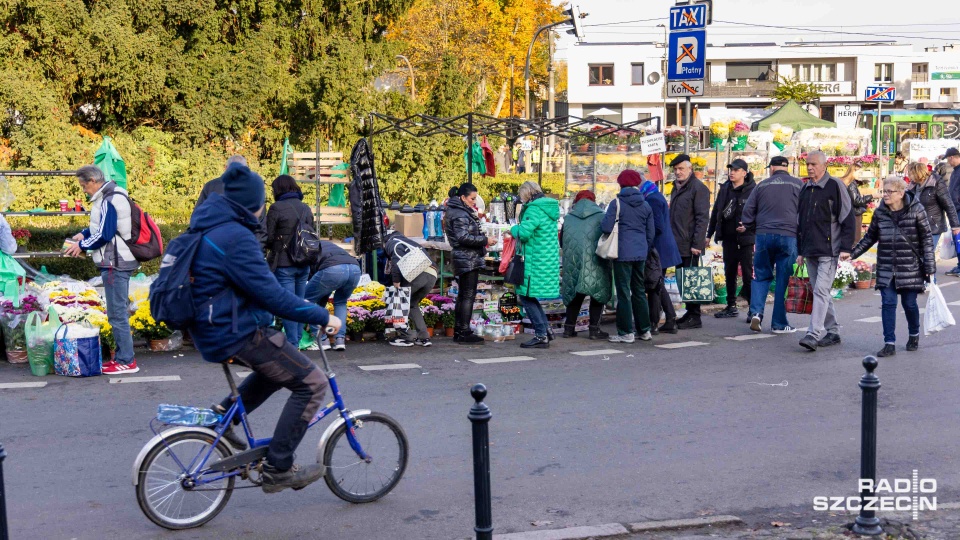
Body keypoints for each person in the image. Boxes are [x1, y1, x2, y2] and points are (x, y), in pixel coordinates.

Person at [189, 163, 340, 493]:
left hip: (213, 329)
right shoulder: (236, 238)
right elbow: (274, 296)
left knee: (276, 371)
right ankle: (278, 466)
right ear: (251, 204)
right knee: (312, 383)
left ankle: (223, 415)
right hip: (235, 330)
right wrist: (322, 316)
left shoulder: (207, 228)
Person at [847, 176, 936, 357]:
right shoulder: (880, 213)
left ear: (901, 193)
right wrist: (852, 254)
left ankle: (914, 334)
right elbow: (870, 238)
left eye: (889, 191)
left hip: (909, 266)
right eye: (884, 191)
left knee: (909, 303)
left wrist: (930, 267)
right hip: (887, 266)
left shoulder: (916, 210)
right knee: (888, 303)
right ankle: (889, 342)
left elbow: (926, 239)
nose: (885, 195)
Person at [64, 165, 139, 374]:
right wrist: (83, 233)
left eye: (83, 185)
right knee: (118, 312)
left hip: (115, 262)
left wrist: (81, 245)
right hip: (118, 260)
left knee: (117, 314)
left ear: (92, 181)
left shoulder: (108, 199)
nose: (83, 190)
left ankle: (127, 361)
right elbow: (104, 226)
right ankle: (124, 357)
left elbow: (105, 235)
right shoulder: (111, 195)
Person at [796, 151, 856, 352]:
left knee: (821, 290)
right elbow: (801, 222)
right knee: (820, 291)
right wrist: (800, 250)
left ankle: (813, 334)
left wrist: (846, 248)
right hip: (810, 249)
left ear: (824, 165)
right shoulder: (806, 188)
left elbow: (847, 217)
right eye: (807, 164)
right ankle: (833, 331)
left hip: (829, 250)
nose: (810, 167)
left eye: (813, 164)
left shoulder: (835, 185)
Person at [741, 156, 804, 334]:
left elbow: (747, 213)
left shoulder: (762, 185)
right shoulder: (799, 185)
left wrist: (754, 226)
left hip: (763, 235)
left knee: (761, 275)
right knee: (784, 279)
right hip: (789, 236)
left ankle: (756, 313)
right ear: (787, 168)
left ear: (772, 168)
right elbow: (805, 212)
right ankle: (778, 323)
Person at [602, 170, 656, 343]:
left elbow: (606, 228)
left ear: (620, 184)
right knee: (639, 291)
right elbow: (651, 233)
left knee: (624, 292)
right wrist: (644, 248)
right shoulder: (645, 204)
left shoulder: (616, 203)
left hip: (622, 253)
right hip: (640, 253)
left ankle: (626, 332)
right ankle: (644, 330)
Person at [507, 181, 561, 348]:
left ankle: (541, 335)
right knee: (529, 296)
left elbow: (523, 233)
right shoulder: (548, 208)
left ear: (527, 194)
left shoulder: (534, 209)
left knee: (525, 296)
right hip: (544, 260)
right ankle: (546, 330)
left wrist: (513, 229)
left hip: (535, 260)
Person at [265, 175, 315, 347]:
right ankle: (298, 340)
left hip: (284, 263)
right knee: (300, 304)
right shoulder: (305, 208)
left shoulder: (276, 208)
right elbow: (311, 233)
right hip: (303, 262)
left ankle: (293, 344)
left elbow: (268, 237)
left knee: (288, 306)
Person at [444, 183, 496, 344]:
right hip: (467, 258)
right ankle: (463, 331)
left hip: (466, 257)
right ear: (463, 198)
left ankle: (460, 330)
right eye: (472, 199)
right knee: (467, 295)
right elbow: (463, 237)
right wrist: (485, 240)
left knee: (464, 295)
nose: (474, 202)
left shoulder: (457, 210)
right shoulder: (459, 213)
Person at [707, 159, 756, 319]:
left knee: (747, 273)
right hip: (728, 237)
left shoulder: (753, 190)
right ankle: (731, 305)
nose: (732, 172)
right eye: (731, 169)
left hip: (746, 238)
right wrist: (709, 234)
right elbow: (716, 212)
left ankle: (752, 308)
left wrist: (748, 227)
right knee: (730, 271)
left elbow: (760, 213)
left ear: (744, 172)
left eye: (736, 170)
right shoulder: (725, 189)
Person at [559, 190, 611, 340]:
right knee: (597, 295)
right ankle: (594, 330)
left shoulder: (568, 218)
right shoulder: (602, 216)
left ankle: (568, 329)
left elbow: (561, 241)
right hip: (597, 261)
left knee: (575, 294)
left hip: (574, 261)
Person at [667, 154, 710, 330]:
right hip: (677, 242)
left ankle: (695, 315)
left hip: (689, 243)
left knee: (691, 280)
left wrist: (697, 244)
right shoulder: (676, 187)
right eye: (676, 169)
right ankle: (690, 313)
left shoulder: (698, 188)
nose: (678, 172)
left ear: (690, 169)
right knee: (682, 279)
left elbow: (702, 218)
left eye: (681, 169)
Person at [639, 180, 682, 335]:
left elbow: (657, 227)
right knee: (658, 285)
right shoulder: (656, 196)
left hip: (659, 249)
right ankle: (670, 319)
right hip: (662, 248)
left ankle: (654, 323)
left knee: (654, 286)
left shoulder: (653, 199)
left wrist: (645, 241)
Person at [196, 155, 267, 248]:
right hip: (244, 246)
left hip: (212, 245)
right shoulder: (253, 189)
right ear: (245, 169)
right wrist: (258, 251)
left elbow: (198, 216)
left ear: (226, 168)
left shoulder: (211, 186)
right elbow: (260, 226)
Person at [907, 161, 960, 284]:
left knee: (927, 253)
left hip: (933, 225)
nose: (909, 176)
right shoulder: (913, 186)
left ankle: (930, 281)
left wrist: (955, 226)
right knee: (918, 253)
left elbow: (949, 205)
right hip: (917, 225)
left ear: (917, 173)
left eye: (910, 173)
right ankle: (922, 280)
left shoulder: (936, 183)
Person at [384, 229, 439, 347]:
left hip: (417, 273)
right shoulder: (408, 241)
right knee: (412, 304)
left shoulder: (392, 242)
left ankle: (406, 337)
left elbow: (396, 259)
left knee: (397, 301)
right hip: (432, 274)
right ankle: (424, 337)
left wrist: (396, 280)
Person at [304, 241, 362, 351]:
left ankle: (321, 340)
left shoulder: (308, 248)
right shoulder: (328, 245)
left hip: (333, 268)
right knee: (341, 302)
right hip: (354, 268)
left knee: (308, 300)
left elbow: (312, 276)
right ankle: (340, 340)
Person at [840, 163, 873, 245]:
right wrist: (871, 196)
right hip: (855, 213)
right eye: (859, 172)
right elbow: (856, 201)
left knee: (851, 238)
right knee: (855, 240)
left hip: (848, 213)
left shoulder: (844, 182)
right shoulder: (851, 184)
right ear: (853, 171)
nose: (860, 175)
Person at [947, 147, 960, 276]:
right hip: (955, 208)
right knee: (957, 239)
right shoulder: (955, 171)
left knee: (958, 239)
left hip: (958, 209)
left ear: (952, 157)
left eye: (948, 159)